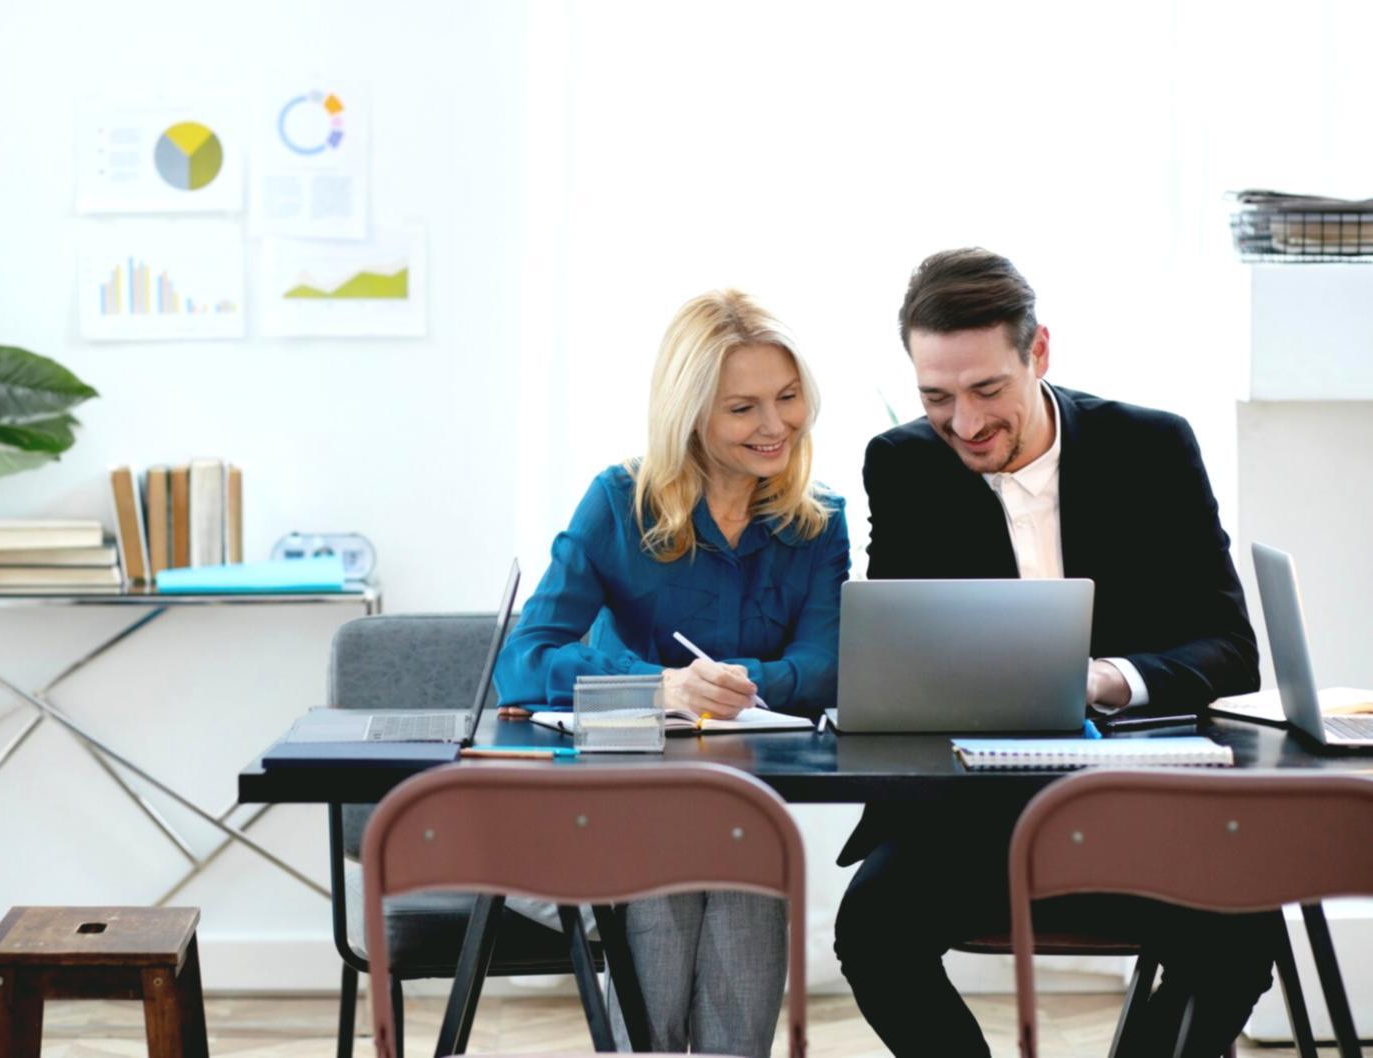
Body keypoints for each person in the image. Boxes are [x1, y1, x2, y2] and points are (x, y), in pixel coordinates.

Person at [833, 248, 1275, 1057]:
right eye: (936, 396)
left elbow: (1229, 648)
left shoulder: (1152, 446)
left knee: (1242, 931)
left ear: (1039, 353)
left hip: (1143, 798)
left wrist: (1108, 679)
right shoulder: (902, 463)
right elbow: (900, 651)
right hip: (970, 811)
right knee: (871, 932)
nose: (963, 423)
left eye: (987, 390)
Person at [494, 289, 849, 1057]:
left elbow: (824, 667)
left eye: (788, 399)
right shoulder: (618, 503)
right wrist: (659, 685)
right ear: (690, 415)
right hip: (623, 804)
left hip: (741, 803)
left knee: (735, 854)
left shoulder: (817, 520)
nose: (775, 425)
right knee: (684, 861)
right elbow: (523, 662)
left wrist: (747, 680)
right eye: (743, 408)